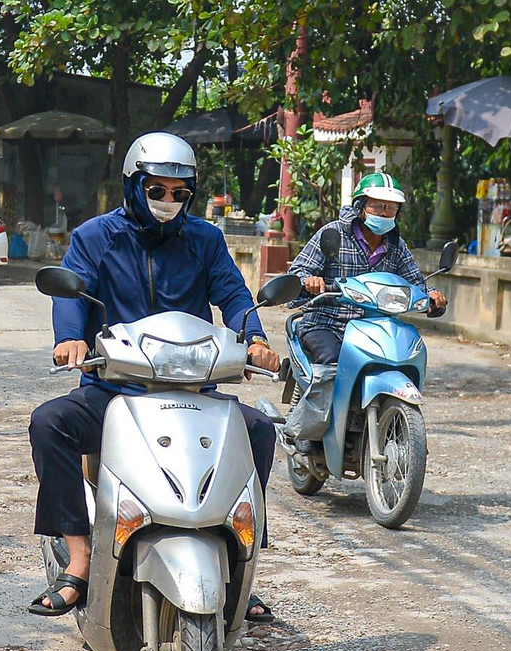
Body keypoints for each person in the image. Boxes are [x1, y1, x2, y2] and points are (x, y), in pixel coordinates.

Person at [27, 132, 282, 621]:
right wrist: (70, 338)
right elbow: (71, 293)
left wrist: (254, 338)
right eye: (157, 190)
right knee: (49, 424)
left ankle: (240, 565)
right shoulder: (95, 237)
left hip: (192, 391)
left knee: (257, 431)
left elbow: (232, 293)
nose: (168, 201)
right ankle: (78, 559)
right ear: (133, 185)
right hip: (115, 390)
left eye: (179, 193)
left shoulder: (205, 240)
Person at [280, 172, 447, 445]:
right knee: (331, 364)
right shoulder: (332, 233)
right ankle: (303, 434)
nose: (384, 212)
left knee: (402, 355)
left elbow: (415, 282)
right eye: (378, 205)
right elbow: (299, 270)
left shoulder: (395, 245)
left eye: (390, 207)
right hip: (328, 322)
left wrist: (431, 296)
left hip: (374, 328)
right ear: (360, 206)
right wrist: (308, 281)